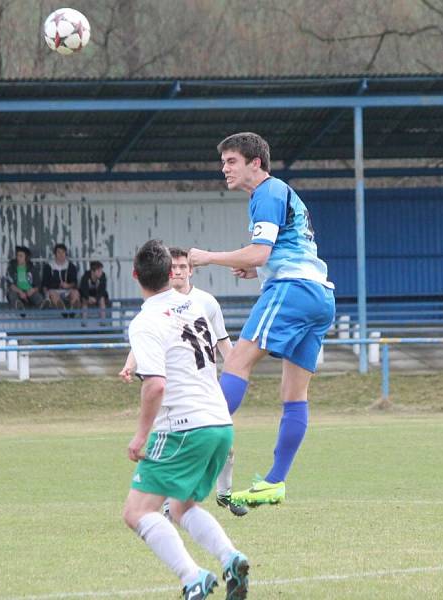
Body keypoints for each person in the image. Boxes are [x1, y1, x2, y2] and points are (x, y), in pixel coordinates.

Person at [189, 132, 336, 508]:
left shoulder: (267, 193)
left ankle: (196, 447)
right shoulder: (282, 193)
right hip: (319, 294)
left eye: (231, 161)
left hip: (293, 289)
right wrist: (260, 269)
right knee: (294, 394)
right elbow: (283, 250)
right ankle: (275, 482)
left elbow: (257, 253)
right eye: (223, 162)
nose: (224, 169)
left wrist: (206, 257)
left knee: (237, 360)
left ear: (256, 163)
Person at [122, 239, 249, 600]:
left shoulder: (146, 320)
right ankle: (231, 557)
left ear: (136, 276)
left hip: (183, 427)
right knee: (181, 505)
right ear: (170, 273)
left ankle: (193, 577)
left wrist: (140, 436)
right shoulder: (195, 307)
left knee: (136, 511)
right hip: (219, 423)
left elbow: (155, 386)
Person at [42, 243, 80, 314]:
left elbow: (74, 282)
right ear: (55, 254)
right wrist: (46, 296)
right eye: (58, 252)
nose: (61, 254)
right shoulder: (48, 266)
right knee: (52, 293)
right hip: (54, 291)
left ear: (66, 254)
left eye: (63, 252)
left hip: (67, 291)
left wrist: (68, 285)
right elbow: (45, 283)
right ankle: (62, 310)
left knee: (76, 292)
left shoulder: (71, 266)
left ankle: (73, 312)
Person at [4, 245, 44, 311]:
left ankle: (41, 306)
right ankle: (19, 307)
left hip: (29, 292)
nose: (18, 258)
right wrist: (20, 292)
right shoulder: (12, 267)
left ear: (26, 257)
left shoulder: (32, 268)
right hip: (18, 292)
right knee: (12, 294)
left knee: (38, 297)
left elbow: (38, 285)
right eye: (17, 255)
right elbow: (10, 284)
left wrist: (33, 290)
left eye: (21, 256)